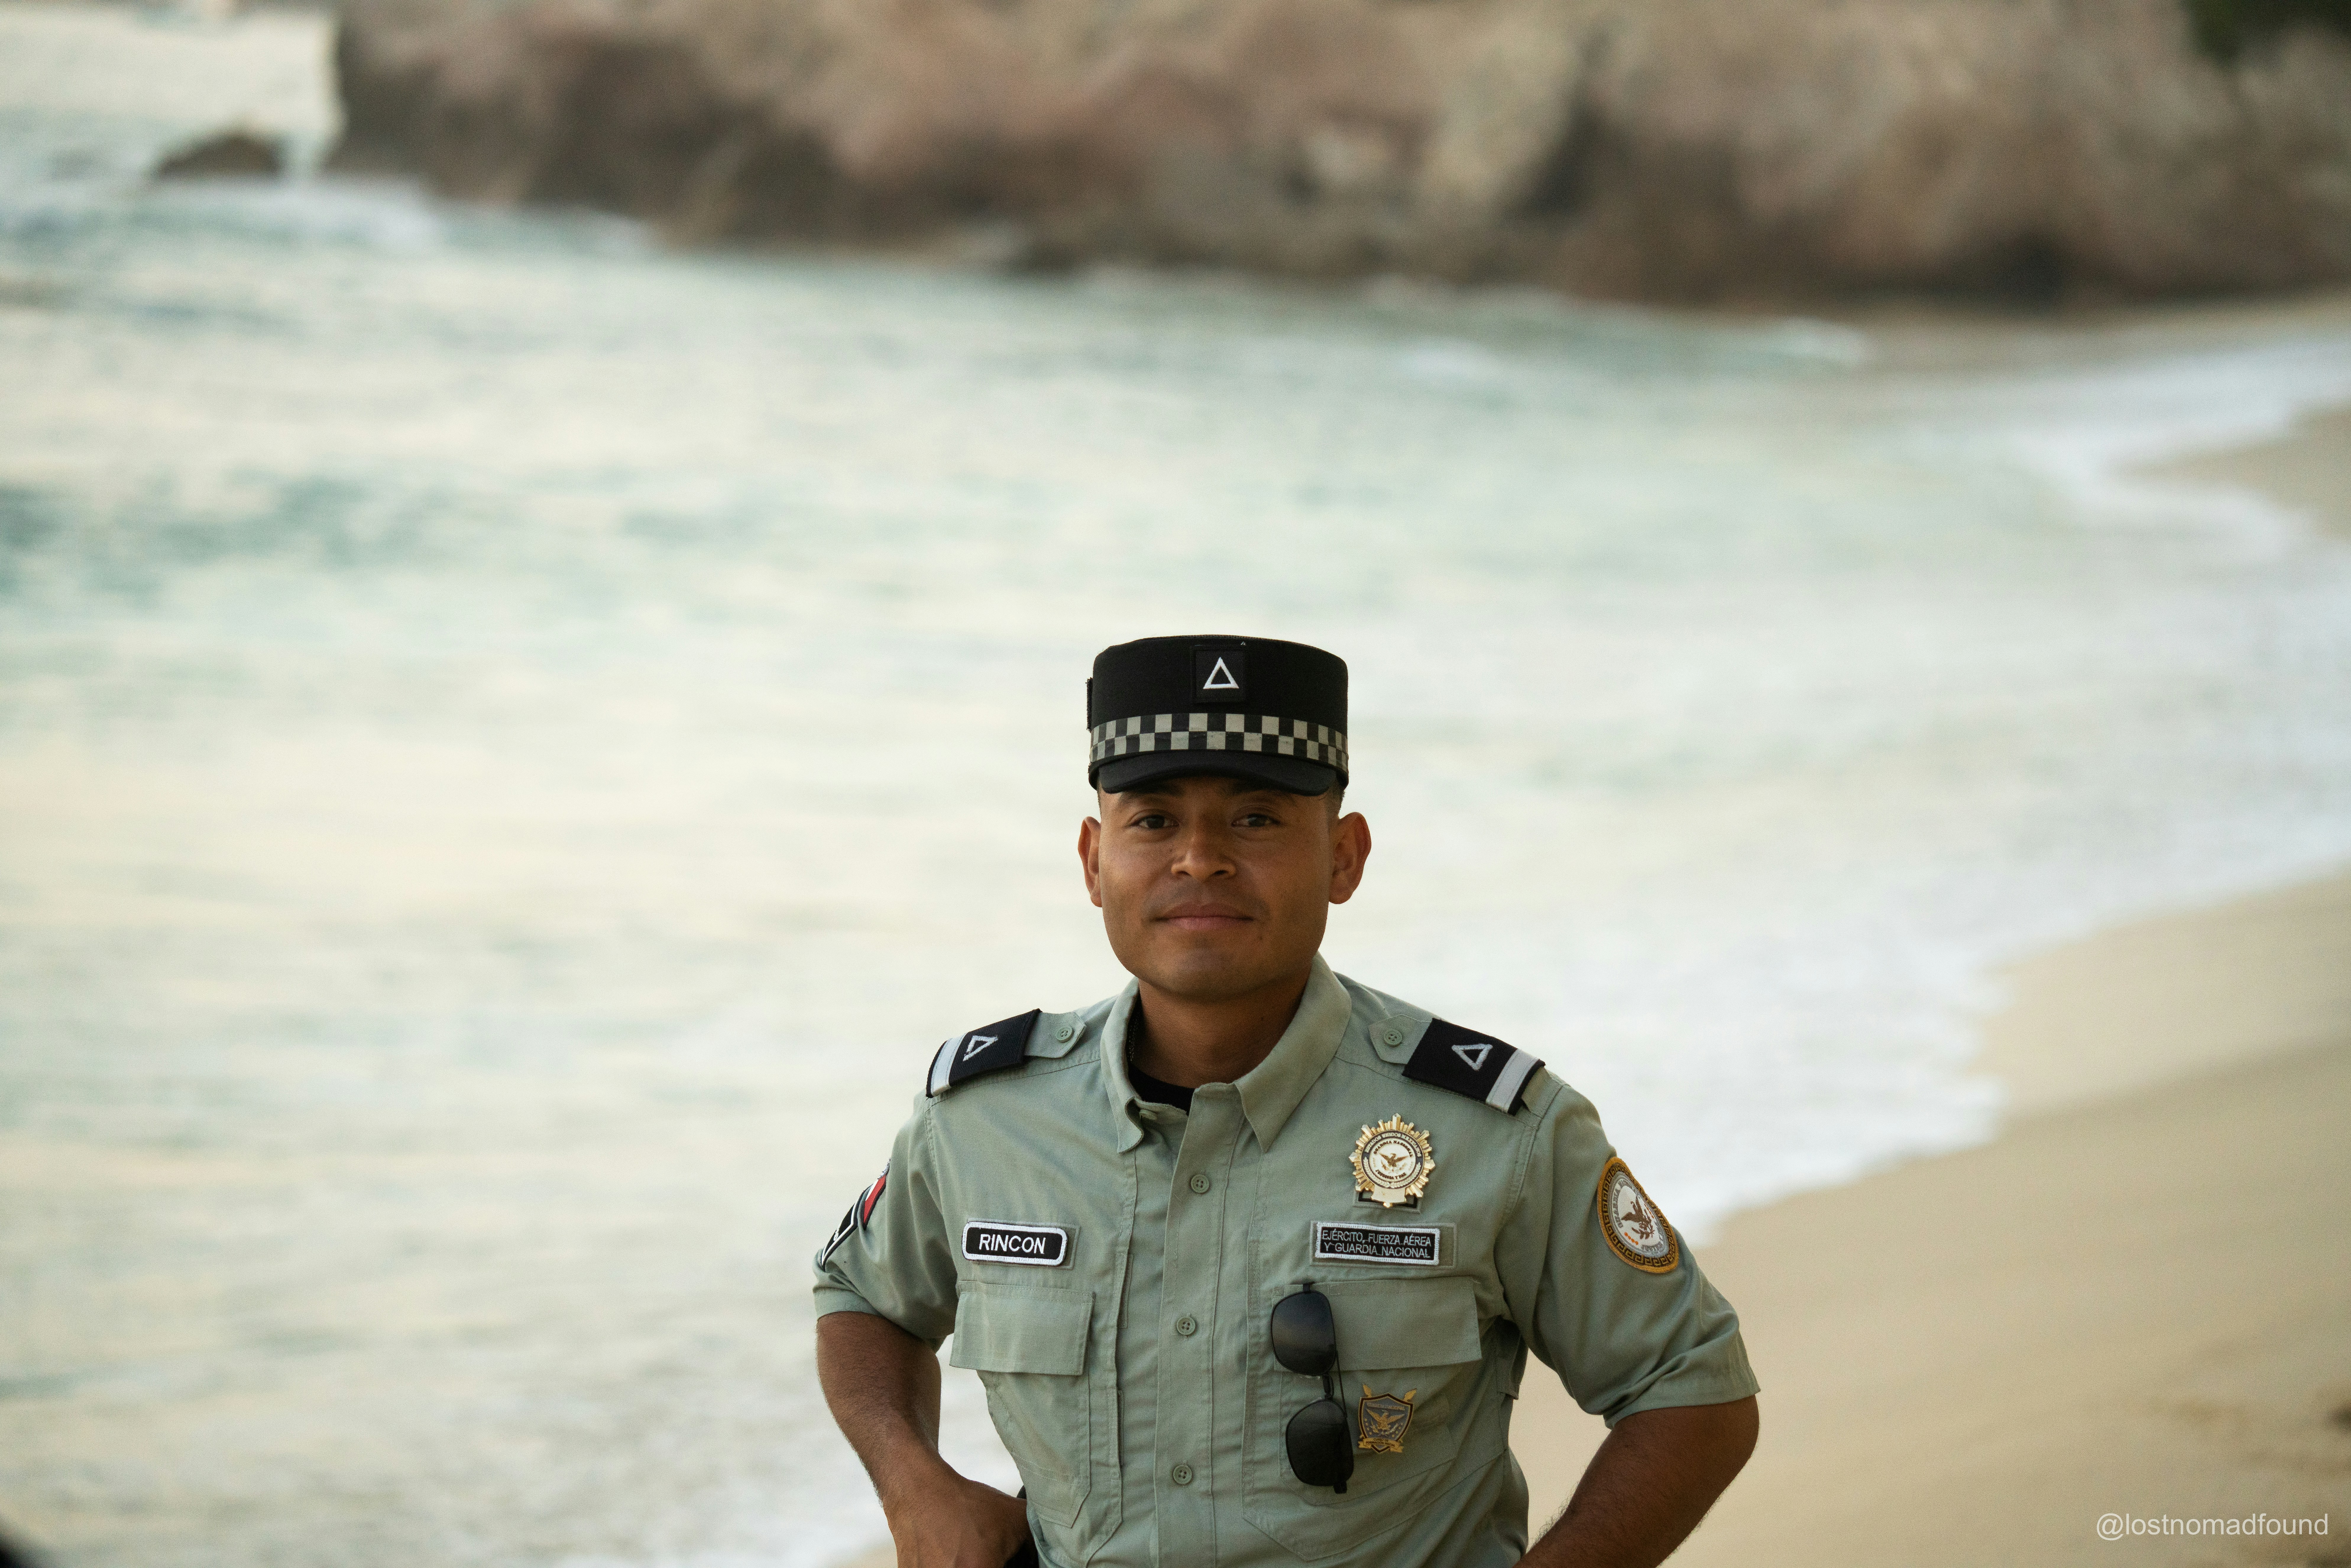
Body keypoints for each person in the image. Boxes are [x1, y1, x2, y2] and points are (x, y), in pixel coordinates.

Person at [814, 635, 1759, 1568]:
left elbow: (1691, 1386)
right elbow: (864, 1294)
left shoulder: (1497, 1131)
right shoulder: (985, 1119)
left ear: (1344, 857)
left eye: (1258, 819)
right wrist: (915, 1487)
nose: (1200, 860)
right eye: (1152, 820)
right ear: (1092, 858)